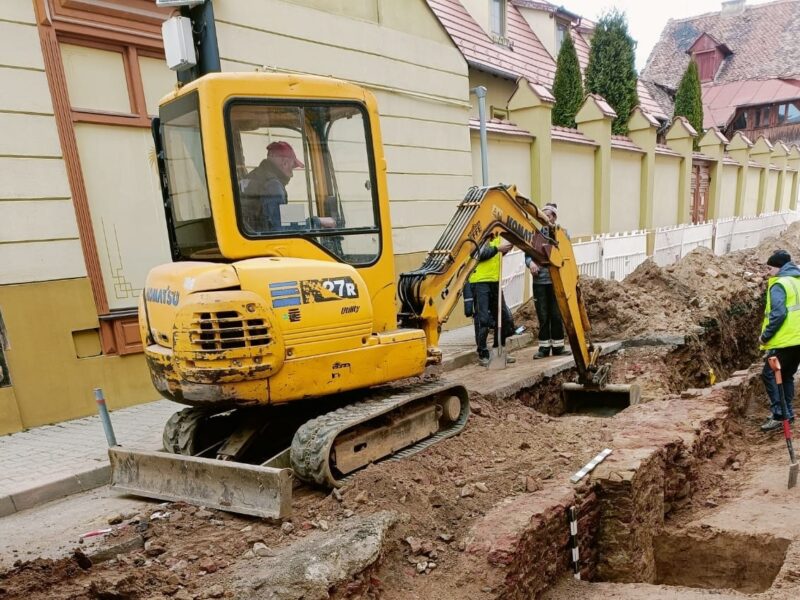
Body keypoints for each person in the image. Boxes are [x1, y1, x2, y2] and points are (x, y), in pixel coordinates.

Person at [759, 249, 800, 432]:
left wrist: (765, 336)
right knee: (786, 375)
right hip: (797, 340)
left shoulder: (779, 284)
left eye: (769, 268)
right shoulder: (797, 281)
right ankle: (787, 412)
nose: (767, 272)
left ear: (778, 267)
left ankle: (780, 414)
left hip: (786, 340)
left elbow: (779, 313)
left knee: (769, 373)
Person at [469, 233, 517, 367]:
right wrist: (498, 249)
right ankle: (483, 354)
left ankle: (498, 352)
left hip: (495, 281)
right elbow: (479, 254)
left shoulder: (497, 236)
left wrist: (504, 251)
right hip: (480, 281)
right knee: (483, 319)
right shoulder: (479, 234)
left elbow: (495, 256)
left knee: (504, 318)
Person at [526, 203, 566, 359]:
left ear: (554, 217)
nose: (544, 219)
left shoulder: (561, 234)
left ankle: (558, 347)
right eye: (542, 216)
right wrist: (531, 263)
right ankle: (543, 348)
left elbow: (565, 255)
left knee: (556, 315)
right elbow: (527, 253)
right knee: (543, 315)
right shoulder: (536, 235)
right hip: (539, 282)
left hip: (556, 281)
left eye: (547, 216)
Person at [241, 141, 304, 233]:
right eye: (292, 167)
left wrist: (299, 216)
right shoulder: (273, 186)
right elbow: (278, 230)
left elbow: (265, 213)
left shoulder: (253, 177)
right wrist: (316, 222)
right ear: (285, 163)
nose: (292, 174)